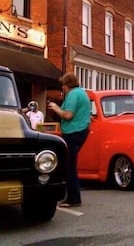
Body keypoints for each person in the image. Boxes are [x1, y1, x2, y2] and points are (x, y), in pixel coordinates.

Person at [48, 73, 91, 208]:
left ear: (67, 85)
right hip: (82, 130)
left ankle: (73, 199)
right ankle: (73, 197)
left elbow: (68, 115)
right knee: (71, 164)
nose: (63, 89)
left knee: (69, 166)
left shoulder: (73, 95)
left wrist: (56, 108)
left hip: (73, 131)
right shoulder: (83, 93)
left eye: (63, 86)